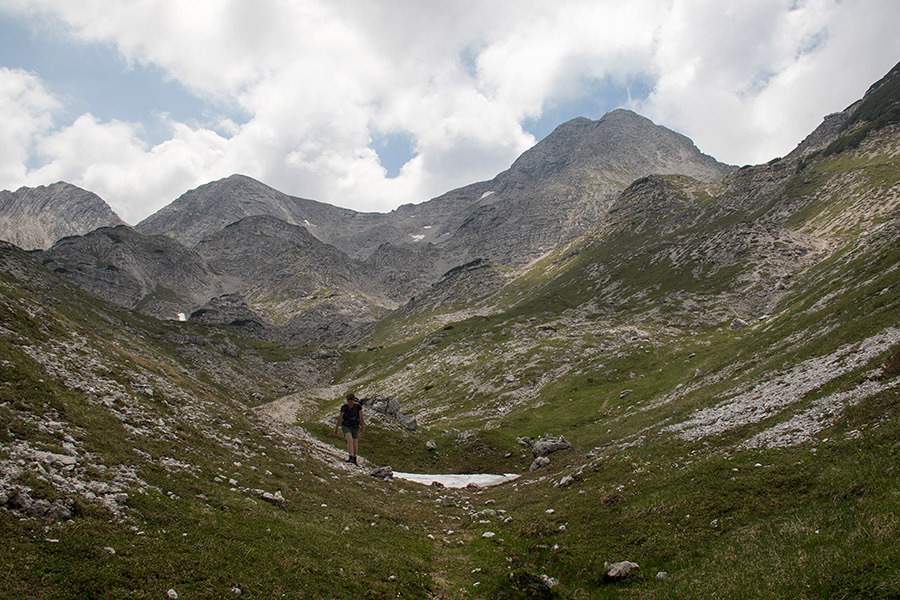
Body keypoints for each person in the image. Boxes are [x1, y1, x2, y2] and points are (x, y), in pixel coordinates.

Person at [334, 392, 364, 465]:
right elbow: (340, 418)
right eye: (349, 402)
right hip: (346, 425)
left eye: (351, 402)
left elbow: (361, 417)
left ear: (353, 400)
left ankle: (354, 457)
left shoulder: (358, 406)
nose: (350, 403)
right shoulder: (344, 407)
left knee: (355, 442)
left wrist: (362, 428)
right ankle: (351, 457)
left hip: (355, 426)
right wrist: (336, 428)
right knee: (349, 439)